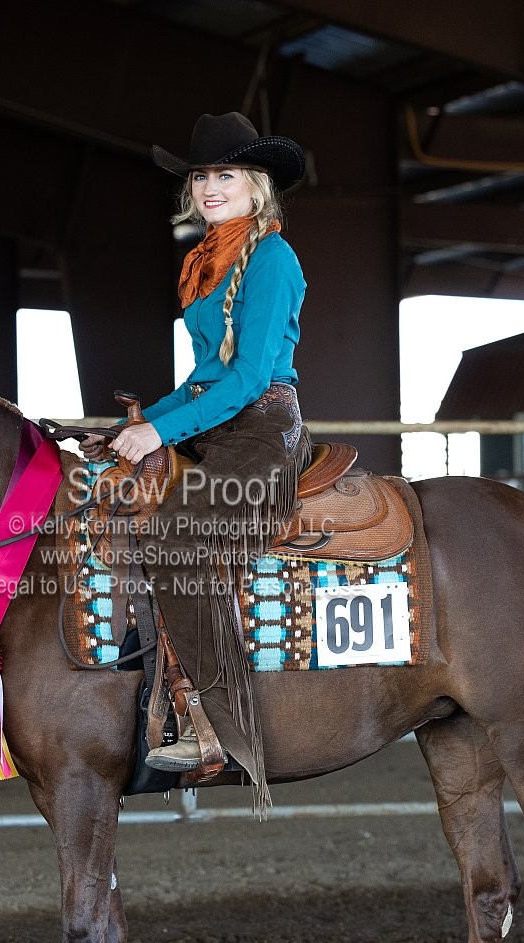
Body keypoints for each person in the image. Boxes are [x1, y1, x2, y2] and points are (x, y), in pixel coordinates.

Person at [84, 111, 311, 807]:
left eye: (227, 174)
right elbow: (201, 383)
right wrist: (133, 427)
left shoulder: (272, 258)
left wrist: (160, 435)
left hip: (261, 429)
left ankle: (217, 727)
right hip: (216, 422)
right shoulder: (207, 262)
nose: (211, 187)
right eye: (202, 176)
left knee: (177, 537)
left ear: (256, 184)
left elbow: (247, 380)